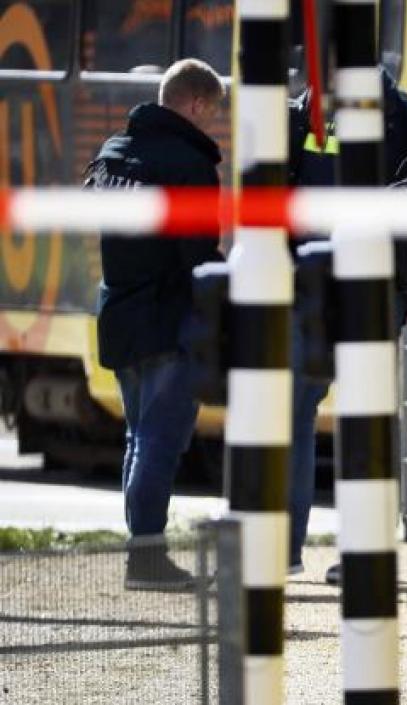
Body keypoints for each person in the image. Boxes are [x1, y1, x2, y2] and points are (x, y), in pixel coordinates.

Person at [285, 66, 407, 581]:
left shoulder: (303, 110)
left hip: (310, 280)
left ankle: (282, 549)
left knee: (295, 414)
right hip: (377, 285)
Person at [88, 59, 226, 590]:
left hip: (119, 311)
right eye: (211, 114)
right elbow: (197, 254)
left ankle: (139, 552)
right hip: (169, 319)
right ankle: (145, 561)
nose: (210, 125)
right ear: (195, 104)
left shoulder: (113, 154)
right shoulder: (189, 163)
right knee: (158, 444)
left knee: (137, 439)